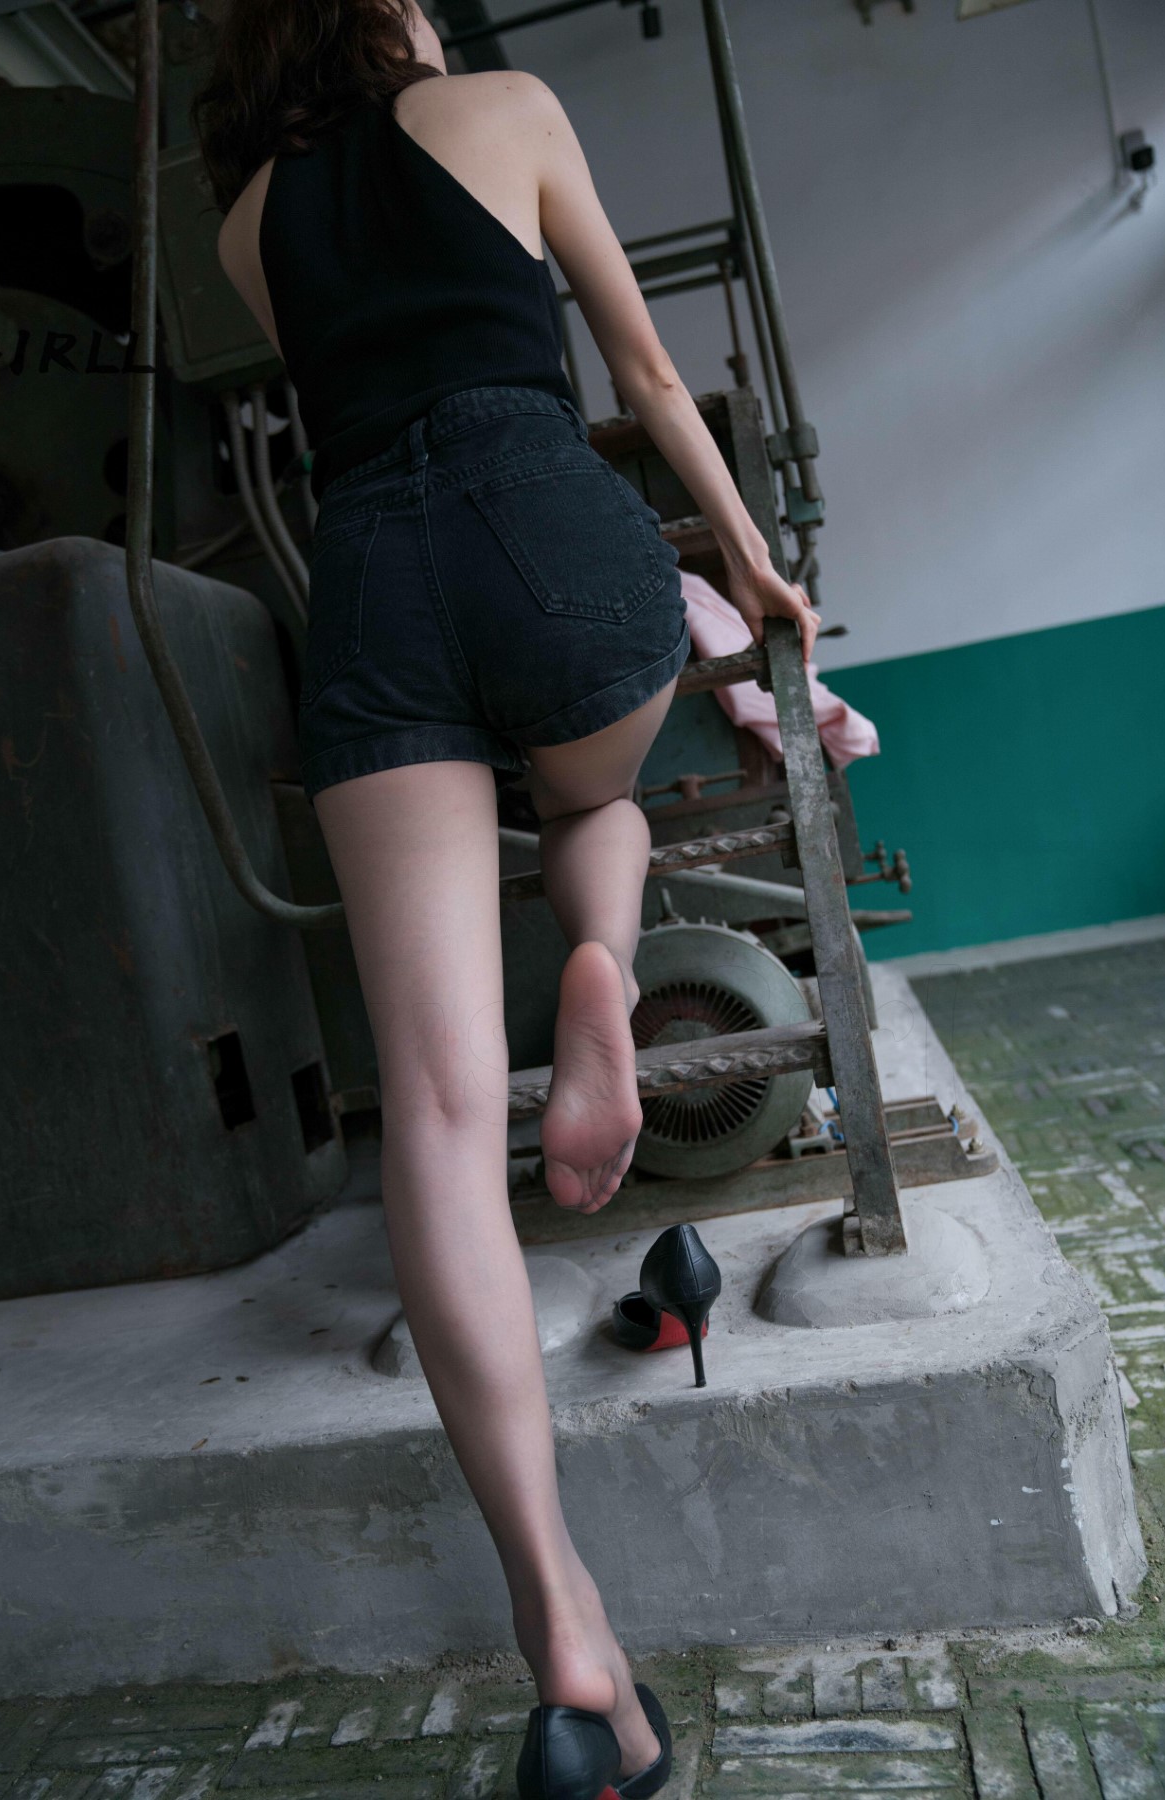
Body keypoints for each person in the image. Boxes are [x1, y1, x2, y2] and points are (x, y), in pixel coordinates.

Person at [196, 2, 820, 1792]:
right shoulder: (509, 103)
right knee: (590, 793)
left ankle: (562, 1633)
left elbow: (352, 368)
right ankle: (600, 955)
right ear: (385, 11)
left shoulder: (243, 227)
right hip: (553, 538)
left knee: (441, 1121)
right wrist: (755, 566)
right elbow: (642, 372)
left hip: (374, 591)